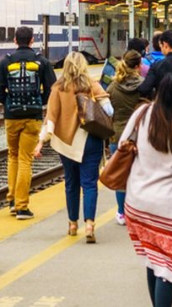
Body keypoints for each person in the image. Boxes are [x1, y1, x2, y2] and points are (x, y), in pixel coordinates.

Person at [121, 72, 172, 307]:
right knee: (167, 267)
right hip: (171, 206)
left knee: (152, 258)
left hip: (137, 201)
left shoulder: (143, 113)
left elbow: (123, 143)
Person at [35, 52, 113, 242]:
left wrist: (40, 143)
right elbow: (109, 110)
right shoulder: (91, 84)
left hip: (66, 144)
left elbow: (50, 119)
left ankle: (72, 224)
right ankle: (89, 225)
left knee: (71, 183)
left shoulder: (58, 88)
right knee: (89, 184)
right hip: (90, 140)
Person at [0, 26, 56, 220]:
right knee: (25, 159)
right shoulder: (42, 61)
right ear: (31, 40)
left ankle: (12, 199)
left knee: (13, 156)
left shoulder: (5, 62)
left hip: (12, 117)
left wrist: (10, 104)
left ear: (14, 40)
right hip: (32, 117)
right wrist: (39, 102)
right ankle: (21, 206)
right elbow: (51, 88)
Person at [107, 49, 145, 226]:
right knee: (140, 174)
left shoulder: (112, 87)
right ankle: (137, 212)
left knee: (120, 175)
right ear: (138, 66)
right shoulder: (143, 86)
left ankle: (122, 212)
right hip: (139, 135)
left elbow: (108, 111)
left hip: (118, 135)